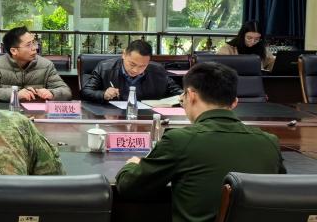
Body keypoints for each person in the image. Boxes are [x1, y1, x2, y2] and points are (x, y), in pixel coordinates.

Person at [116, 62, 285, 222]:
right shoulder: (269, 142)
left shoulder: (180, 140)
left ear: (191, 96)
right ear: (234, 103)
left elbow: (129, 187)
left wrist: (132, 165)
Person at [0, 26, 72, 102]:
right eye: (28, 45)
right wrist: (15, 94)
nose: (35, 48)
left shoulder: (46, 65)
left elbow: (66, 91)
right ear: (14, 51)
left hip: (37, 114)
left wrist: (52, 93)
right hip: (7, 112)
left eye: (34, 43)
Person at [81, 40, 182, 103]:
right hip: (114, 117)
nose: (136, 70)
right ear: (124, 55)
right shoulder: (105, 68)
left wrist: (184, 97)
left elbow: (177, 92)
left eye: (142, 66)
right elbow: (86, 92)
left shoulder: (157, 70)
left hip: (146, 117)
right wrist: (103, 94)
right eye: (132, 64)